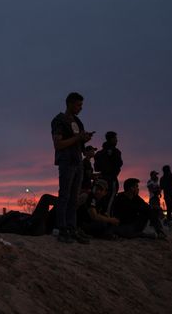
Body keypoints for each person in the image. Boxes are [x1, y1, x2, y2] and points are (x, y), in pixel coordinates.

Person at [51, 92, 93, 244]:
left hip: (77, 162)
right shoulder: (59, 120)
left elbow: (79, 145)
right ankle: (61, 229)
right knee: (65, 196)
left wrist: (84, 139)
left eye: (81, 105)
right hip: (66, 162)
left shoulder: (77, 121)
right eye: (78, 105)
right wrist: (78, 137)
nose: (80, 108)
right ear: (69, 104)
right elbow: (58, 144)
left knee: (73, 198)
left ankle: (71, 228)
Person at [94, 131, 122, 215]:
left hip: (101, 179)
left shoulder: (99, 153)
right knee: (110, 199)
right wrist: (113, 173)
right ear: (112, 139)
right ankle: (106, 219)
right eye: (116, 139)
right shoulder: (116, 152)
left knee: (100, 199)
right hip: (111, 179)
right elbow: (118, 165)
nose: (117, 140)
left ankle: (98, 217)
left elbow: (96, 168)